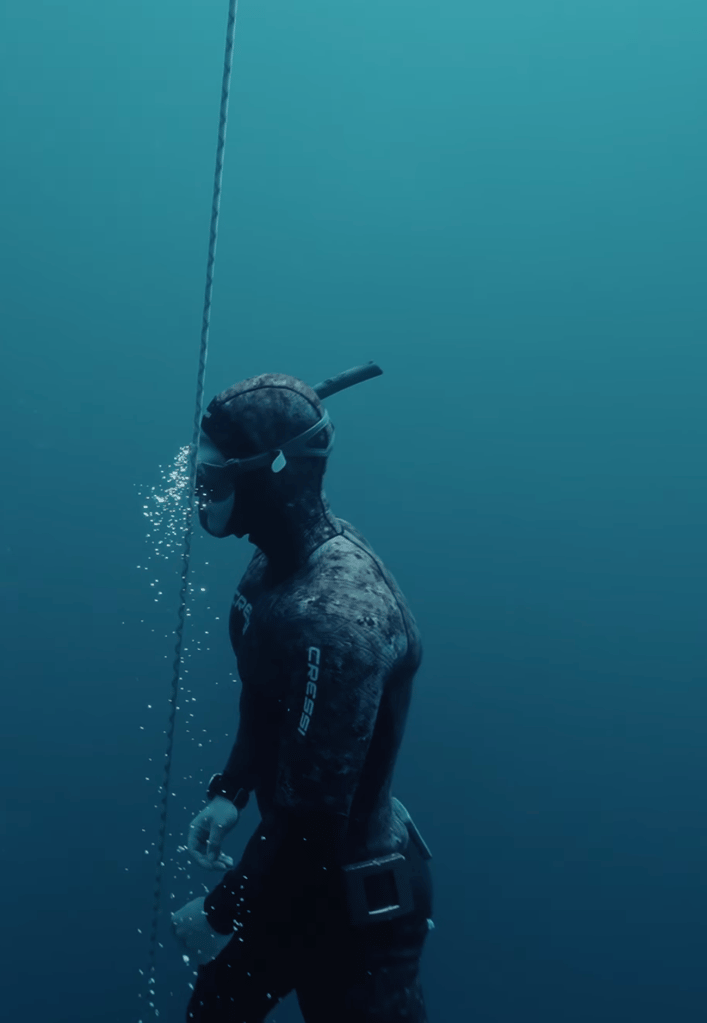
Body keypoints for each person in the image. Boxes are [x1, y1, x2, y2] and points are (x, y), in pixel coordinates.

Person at [170, 374, 433, 1022]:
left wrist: (220, 909)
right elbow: (264, 700)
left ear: (272, 474)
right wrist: (230, 791)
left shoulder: (340, 616)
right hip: (294, 872)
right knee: (215, 1007)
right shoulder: (271, 569)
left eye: (217, 472)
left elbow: (315, 823)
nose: (203, 488)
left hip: (356, 907)